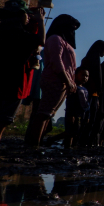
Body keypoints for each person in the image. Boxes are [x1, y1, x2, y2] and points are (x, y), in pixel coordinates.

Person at [0, 0, 45, 150]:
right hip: (13, 79)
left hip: (1, 78)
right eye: (26, 14)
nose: (28, 18)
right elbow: (40, 41)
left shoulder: (7, 27)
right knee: (4, 118)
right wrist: (40, 20)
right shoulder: (17, 31)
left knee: (3, 116)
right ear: (20, 15)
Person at [24, 14, 80, 147]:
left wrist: (71, 82)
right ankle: (33, 145)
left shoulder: (64, 41)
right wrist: (67, 80)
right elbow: (57, 62)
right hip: (55, 79)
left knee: (49, 114)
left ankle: (37, 143)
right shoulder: (55, 39)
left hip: (64, 82)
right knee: (43, 113)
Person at [79, 40, 104, 146]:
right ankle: (81, 143)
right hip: (88, 94)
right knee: (86, 120)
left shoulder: (97, 62)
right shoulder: (88, 60)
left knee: (92, 121)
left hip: (95, 95)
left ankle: (86, 143)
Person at [63, 67, 90, 149]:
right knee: (70, 132)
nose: (85, 77)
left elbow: (87, 104)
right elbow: (70, 102)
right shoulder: (74, 88)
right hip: (73, 114)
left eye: (87, 76)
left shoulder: (85, 89)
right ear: (76, 75)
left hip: (82, 114)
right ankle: (67, 146)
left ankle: (73, 146)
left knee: (76, 131)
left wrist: (88, 116)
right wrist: (70, 114)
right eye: (82, 75)